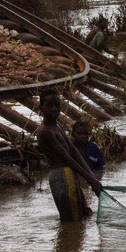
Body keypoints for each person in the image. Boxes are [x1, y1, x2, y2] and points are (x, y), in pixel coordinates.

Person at [37, 89, 103, 221]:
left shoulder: (58, 126)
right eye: (50, 106)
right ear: (41, 108)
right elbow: (66, 158)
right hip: (61, 176)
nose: (55, 109)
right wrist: (91, 180)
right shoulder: (45, 131)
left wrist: (92, 177)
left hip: (69, 175)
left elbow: (73, 151)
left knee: (82, 217)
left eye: (57, 105)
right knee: (71, 221)